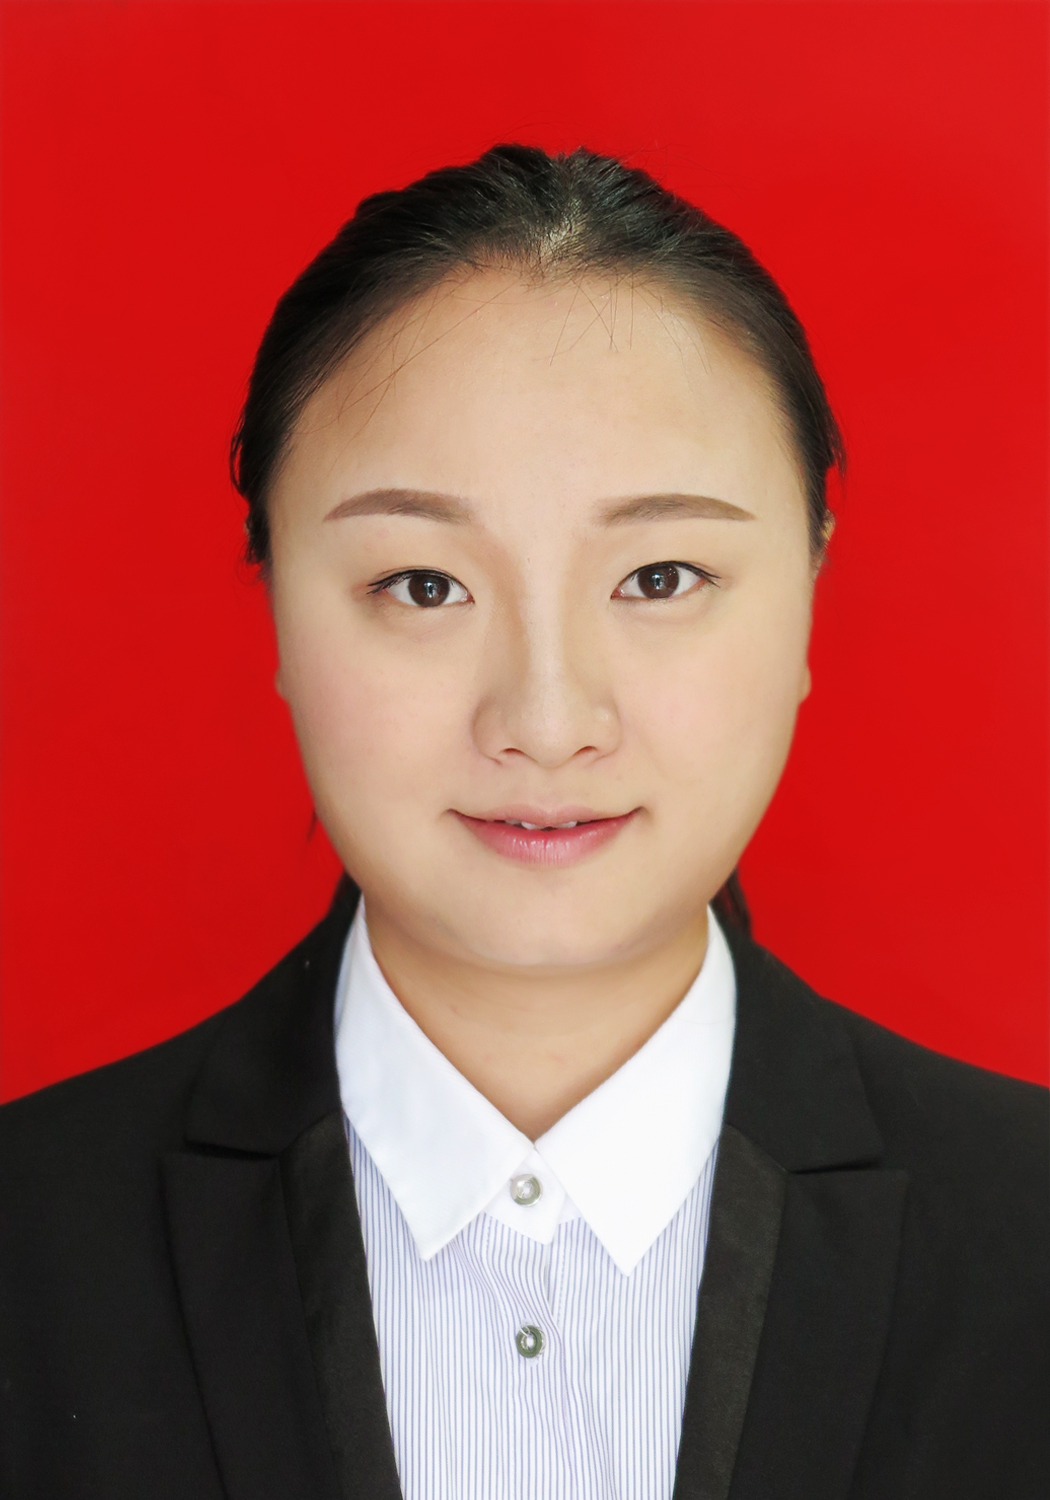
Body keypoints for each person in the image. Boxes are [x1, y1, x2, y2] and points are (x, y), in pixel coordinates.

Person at [0, 145, 1045, 1500]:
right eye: (423, 585)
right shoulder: (32, 1248)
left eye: (660, 575)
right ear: (275, 600)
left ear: (808, 584)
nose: (547, 723)